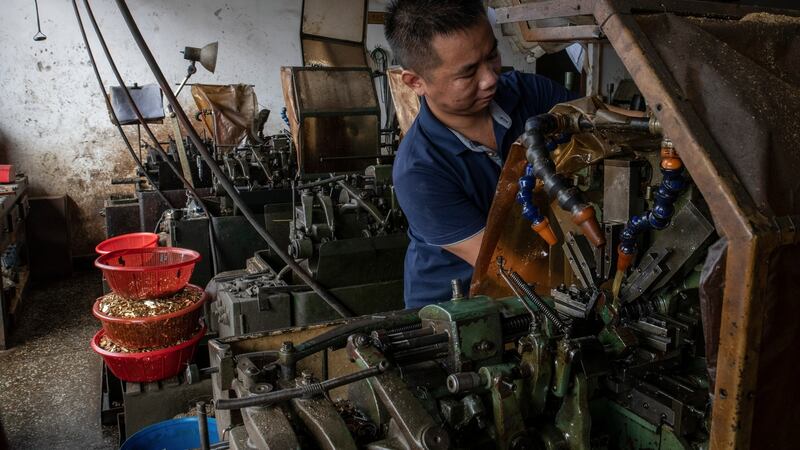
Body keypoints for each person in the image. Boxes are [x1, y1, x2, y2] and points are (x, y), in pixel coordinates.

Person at [386, 0, 577, 308]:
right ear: (416, 81)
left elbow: (603, 132)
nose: (490, 79)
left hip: (543, 280)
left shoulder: (533, 95)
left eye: (492, 56)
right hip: (461, 309)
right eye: (468, 73)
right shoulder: (418, 172)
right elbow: (504, 266)